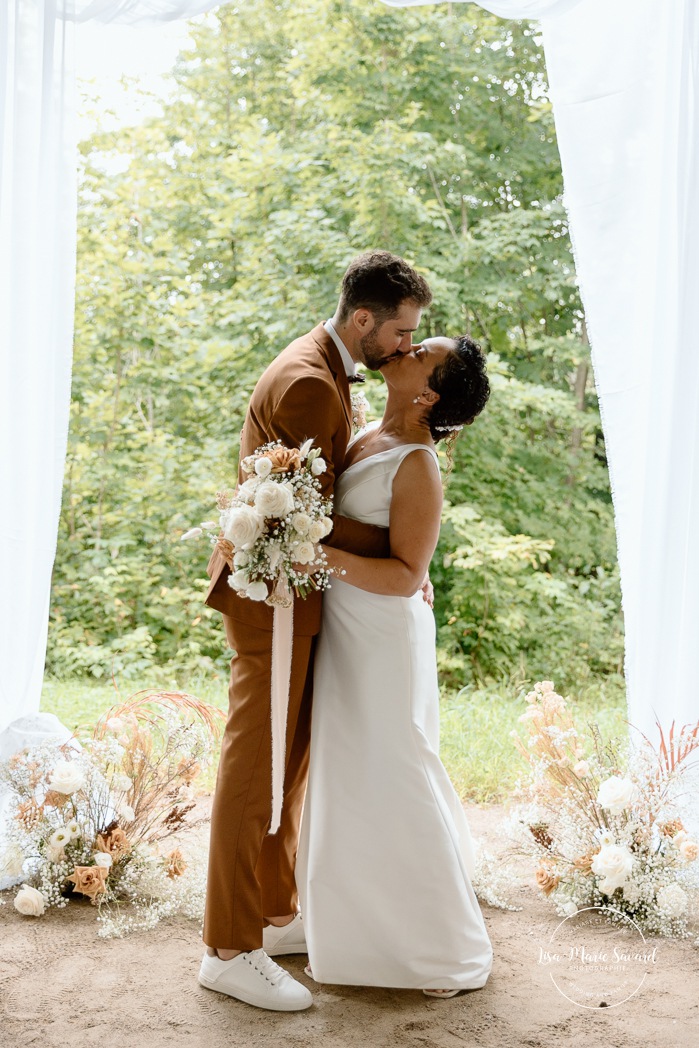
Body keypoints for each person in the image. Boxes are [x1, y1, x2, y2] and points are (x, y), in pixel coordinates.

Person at [198, 251, 433, 1011]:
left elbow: (316, 513)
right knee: (253, 771)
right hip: (275, 603)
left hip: (298, 600)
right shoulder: (307, 382)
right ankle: (228, 949)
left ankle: (270, 914)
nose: (403, 346)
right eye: (400, 332)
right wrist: (403, 558)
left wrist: (407, 556)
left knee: (285, 766)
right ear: (362, 319)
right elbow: (307, 524)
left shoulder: (327, 370)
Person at [296, 335, 493, 996]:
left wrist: (316, 556)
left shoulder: (417, 464)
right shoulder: (363, 434)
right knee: (349, 771)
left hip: (380, 633)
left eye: (420, 354)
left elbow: (408, 574)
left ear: (428, 394)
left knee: (392, 765)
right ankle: (350, 927)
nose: (404, 348)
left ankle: (434, 944)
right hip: (346, 627)